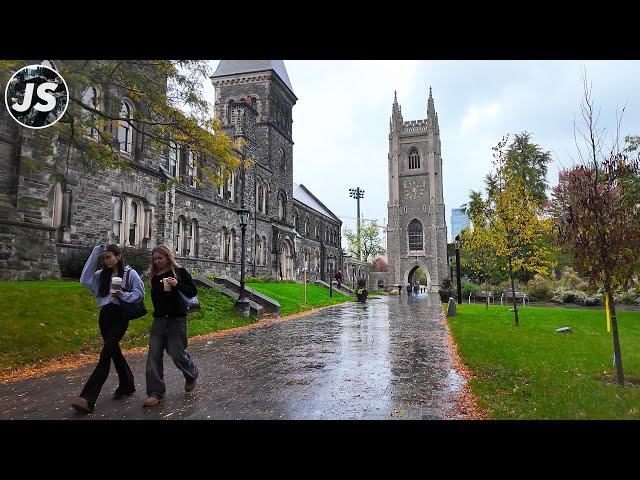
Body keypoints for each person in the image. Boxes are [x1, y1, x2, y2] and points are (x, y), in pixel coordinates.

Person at [71, 244, 143, 414]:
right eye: (104, 258)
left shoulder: (129, 273)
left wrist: (122, 295)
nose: (106, 261)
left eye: (109, 257)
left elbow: (140, 294)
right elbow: (84, 280)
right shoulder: (100, 275)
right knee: (113, 352)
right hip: (105, 316)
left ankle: (87, 398)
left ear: (118, 256)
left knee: (105, 355)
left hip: (120, 316)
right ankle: (127, 384)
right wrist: (95, 252)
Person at [143, 245, 199, 408]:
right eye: (154, 259)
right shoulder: (154, 276)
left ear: (168, 257)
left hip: (176, 320)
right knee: (153, 356)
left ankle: (191, 374)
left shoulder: (179, 272)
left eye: (160, 258)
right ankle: (155, 393)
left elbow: (192, 292)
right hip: (159, 321)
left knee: (177, 353)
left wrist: (177, 285)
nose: (157, 261)